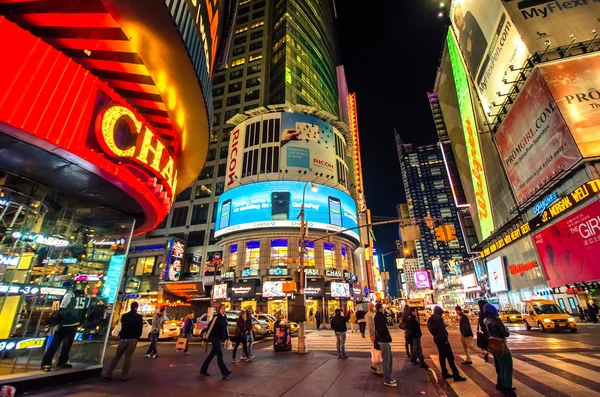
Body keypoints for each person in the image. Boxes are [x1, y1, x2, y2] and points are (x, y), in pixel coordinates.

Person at [41, 281, 89, 372]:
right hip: (65, 324)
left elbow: (82, 311)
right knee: (55, 344)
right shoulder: (71, 295)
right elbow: (63, 310)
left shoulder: (82, 297)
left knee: (66, 345)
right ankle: (46, 362)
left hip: (72, 323)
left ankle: (62, 361)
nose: (81, 287)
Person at [102, 302, 143, 380]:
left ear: (130, 307)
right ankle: (124, 375)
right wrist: (137, 336)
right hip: (133, 338)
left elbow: (123, 326)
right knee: (128, 357)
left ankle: (108, 373)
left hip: (123, 337)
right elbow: (140, 329)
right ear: (136, 308)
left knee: (117, 356)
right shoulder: (138, 317)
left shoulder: (124, 316)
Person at [483, 303, 516, 397]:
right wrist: (507, 329)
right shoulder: (496, 320)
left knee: (501, 367)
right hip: (501, 345)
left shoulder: (486, 320)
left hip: (492, 345)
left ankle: (504, 386)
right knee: (508, 368)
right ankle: (508, 388)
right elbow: (506, 333)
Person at [427, 306, 466, 382]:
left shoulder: (432, 317)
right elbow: (441, 330)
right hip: (442, 339)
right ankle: (456, 375)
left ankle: (444, 372)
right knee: (450, 357)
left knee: (442, 356)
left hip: (436, 338)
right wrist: (445, 340)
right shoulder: (439, 318)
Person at [453, 3, 487, 75]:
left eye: (459, 15)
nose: (458, 20)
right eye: (456, 19)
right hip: (479, 66)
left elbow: (479, 32)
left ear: (462, 14)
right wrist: (469, 52)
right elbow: (469, 64)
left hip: (486, 53)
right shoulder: (461, 41)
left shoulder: (469, 17)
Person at [200, 304, 232, 379]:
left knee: (211, 355)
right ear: (219, 309)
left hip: (220, 339)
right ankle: (225, 372)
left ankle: (203, 370)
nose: (225, 309)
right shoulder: (216, 318)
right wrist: (204, 339)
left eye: (225, 308)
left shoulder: (225, 318)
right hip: (215, 338)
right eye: (223, 308)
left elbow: (226, 328)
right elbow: (210, 329)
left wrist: (227, 337)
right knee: (220, 355)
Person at [375, 303, 396, 387]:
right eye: (383, 308)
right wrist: (385, 336)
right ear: (380, 308)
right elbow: (381, 329)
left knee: (389, 358)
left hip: (384, 339)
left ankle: (388, 376)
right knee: (386, 359)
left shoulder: (379, 316)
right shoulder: (379, 317)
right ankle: (387, 379)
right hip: (383, 340)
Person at [365, 302, 381, 374]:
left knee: (376, 350)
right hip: (374, 334)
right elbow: (369, 325)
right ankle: (377, 366)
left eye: (373, 306)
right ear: (369, 307)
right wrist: (371, 335)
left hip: (377, 333)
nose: (372, 307)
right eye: (371, 306)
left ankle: (374, 364)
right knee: (376, 351)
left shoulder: (373, 313)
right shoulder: (368, 315)